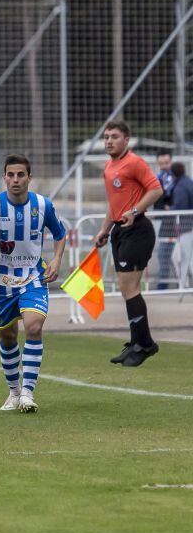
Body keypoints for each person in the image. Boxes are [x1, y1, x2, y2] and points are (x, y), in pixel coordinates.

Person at [0, 155, 67, 413]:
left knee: (34, 326)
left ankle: (28, 393)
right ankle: (13, 392)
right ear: (4, 177)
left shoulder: (43, 205)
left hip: (33, 277)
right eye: (10, 175)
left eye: (20, 175)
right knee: (8, 336)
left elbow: (60, 234)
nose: (15, 180)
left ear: (29, 178)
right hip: (1, 282)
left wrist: (56, 260)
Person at [93, 120, 164, 367]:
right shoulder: (109, 166)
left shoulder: (134, 162)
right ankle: (137, 342)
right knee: (126, 288)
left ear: (126, 140)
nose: (109, 141)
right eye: (106, 137)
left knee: (129, 286)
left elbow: (156, 190)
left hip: (138, 229)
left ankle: (144, 344)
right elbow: (114, 205)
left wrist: (134, 211)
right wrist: (105, 229)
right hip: (120, 231)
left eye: (114, 136)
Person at [154, 152, 176, 289]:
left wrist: (172, 207)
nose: (164, 166)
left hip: (173, 220)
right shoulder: (158, 178)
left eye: (166, 163)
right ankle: (166, 280)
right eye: (161, 163)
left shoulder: (176, 179)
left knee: (165, 252)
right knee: (164, 252)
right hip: (163, 219)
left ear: (171, 162)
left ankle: (163, 282)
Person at [168, 162, 193, 285]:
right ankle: (184, 286)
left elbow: (180, 207)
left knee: (182, 259)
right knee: (187, 258)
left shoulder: (180, 187)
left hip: (186, 227)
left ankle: (183, 286)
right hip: (189, 226)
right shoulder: (189, 182)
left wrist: (169, 209)